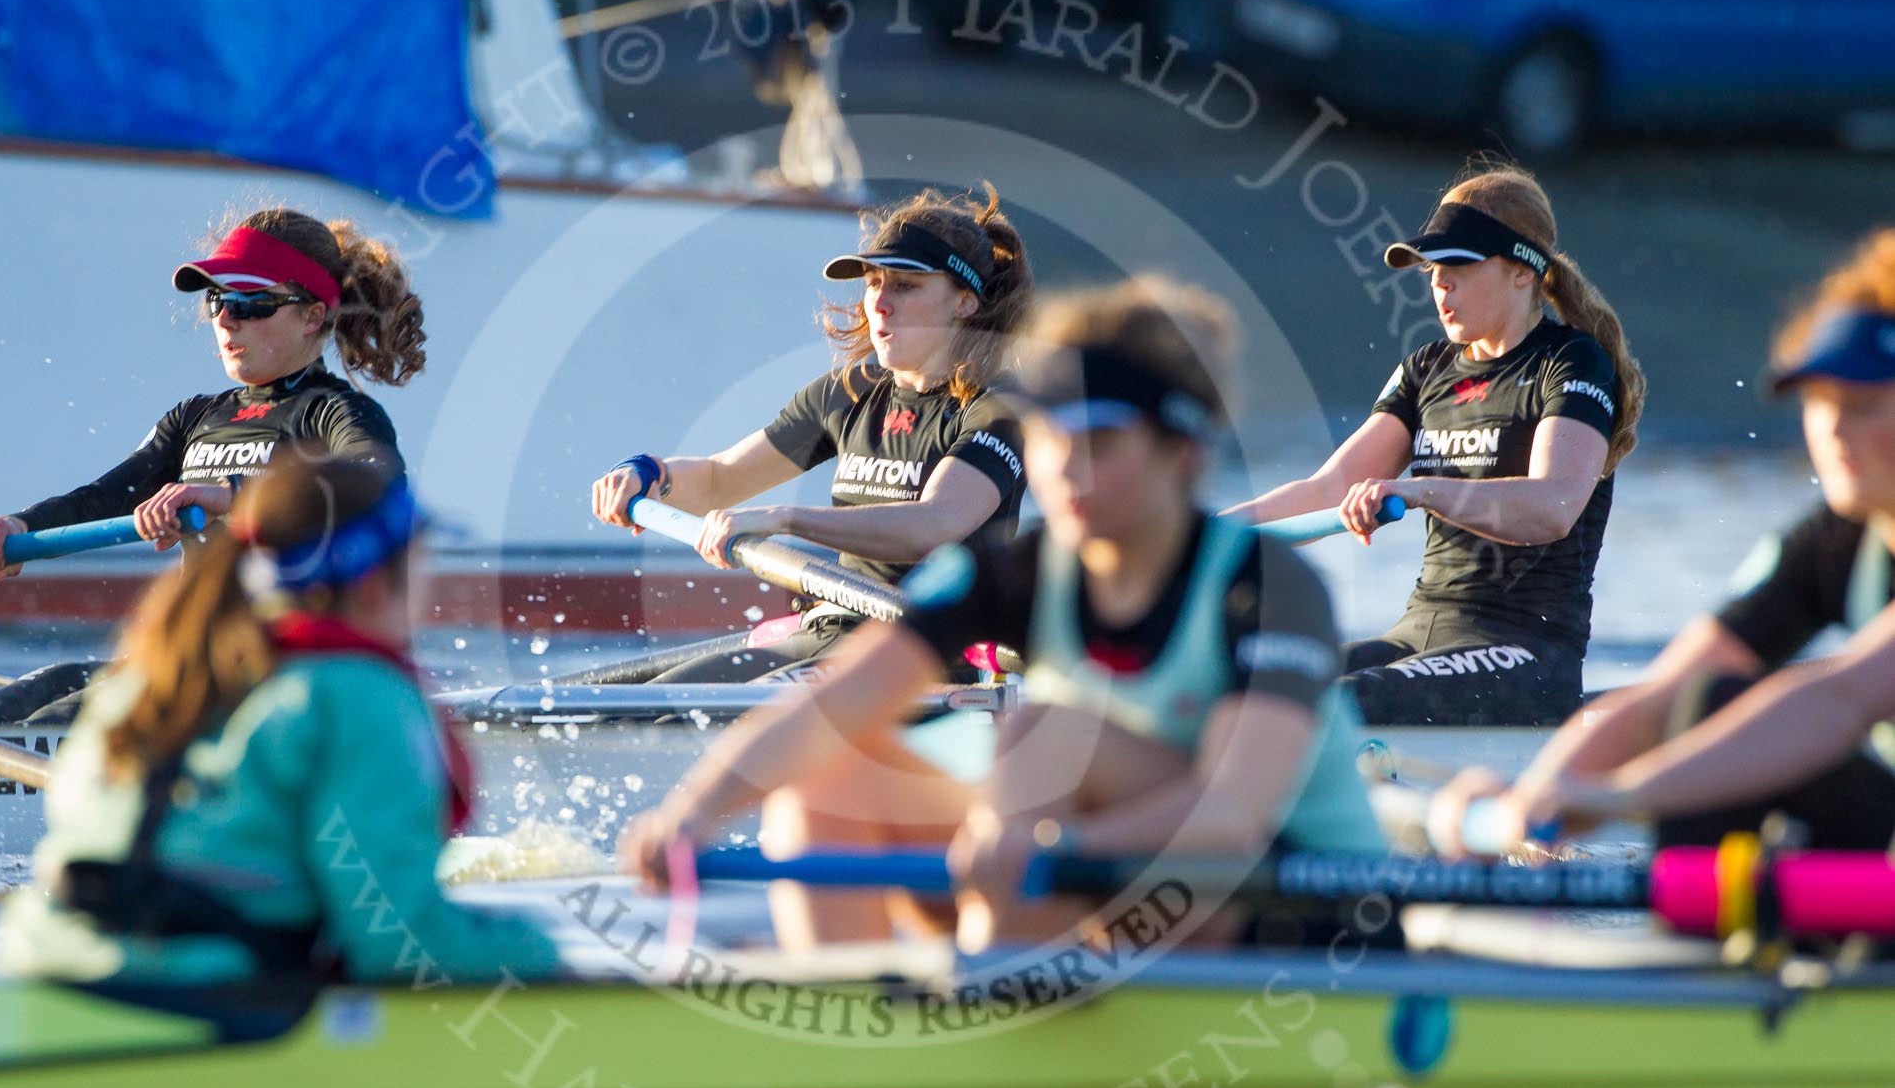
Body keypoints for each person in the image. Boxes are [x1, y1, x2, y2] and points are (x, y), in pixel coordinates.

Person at [620, 277, 1386, 953]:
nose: (1062, 468)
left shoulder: (1268, 587)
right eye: (1050, 435)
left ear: (1181, 453)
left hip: (1296, 914)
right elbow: (835, 703)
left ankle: (998, 999)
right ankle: (857, 1037)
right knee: (828, 778)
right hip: (1084, 872)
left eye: (1102, 440)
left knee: (1040, 732)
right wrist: (692, 815)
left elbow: (1229, 816)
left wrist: (1050, 846)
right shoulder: (1014, 572)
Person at [0, 455, 559, 986]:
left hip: (39, 955)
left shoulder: (150, 669)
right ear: (371, 582)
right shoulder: (361, 695)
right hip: (204, 992)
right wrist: (543, 951)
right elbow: (395, 942)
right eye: (419, 566)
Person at [1433, 230, 1895, 854]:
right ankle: (1702, 929)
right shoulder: (1838, 542)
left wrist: (1618, 798)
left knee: (1721, 710)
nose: (1833, 426)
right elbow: (1664, 695)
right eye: (1818, 400)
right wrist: (1539, 797)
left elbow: (1837, 701)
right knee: (1703, 699)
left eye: (1862, 403)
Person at [0, 207, 424, 723]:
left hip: (286, 674)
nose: (225, 318)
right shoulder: (195, 417)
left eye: (252, 302)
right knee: (13, 706)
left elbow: (380, 490)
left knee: (60, 722)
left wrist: (233, 496)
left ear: (312, 316)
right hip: (201, 663)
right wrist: (18, 526)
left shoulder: (335, 412)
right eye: (219, 299)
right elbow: (102, 499)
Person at [1230, 163, 1646, 727]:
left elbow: (1554, 507)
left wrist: (1423, 489)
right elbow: (1326, 488)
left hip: (1524, 651)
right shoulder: (1426, 369)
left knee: (1331, 706)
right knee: (1243, 691)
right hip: (1418, 634)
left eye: (1457, 266)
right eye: (1432, 267)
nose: (1438, 283)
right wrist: (1191, 535)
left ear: (1523, 272)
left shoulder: (1570, 363)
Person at [590, 186, 1033, 682]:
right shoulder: (850, 392)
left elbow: (934, 525)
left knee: (711, 716)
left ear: (965, 303)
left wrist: (784, 519)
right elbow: (719, 480)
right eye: (872, 283)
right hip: (834, 627)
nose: (879, 304)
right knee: (634, 706)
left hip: (926, 652)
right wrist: (649, 474)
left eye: (906, 286)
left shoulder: (998, 408)